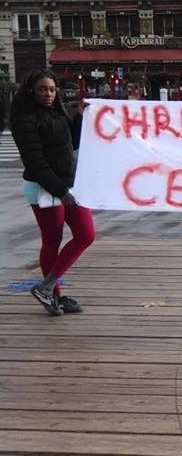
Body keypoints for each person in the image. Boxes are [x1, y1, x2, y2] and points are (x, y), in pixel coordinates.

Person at [10, 69, 96, 316]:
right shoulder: (24, 120)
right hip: (42, 188)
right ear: (30, 91)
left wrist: (82, 117)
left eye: (51, 89)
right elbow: (35, 162)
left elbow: (72, 144)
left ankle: (46, 288)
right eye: (42, 89)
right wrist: (61, 191)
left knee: (86, 234)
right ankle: (54, 296)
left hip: (67, 185)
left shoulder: (56, 112)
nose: (48, 94)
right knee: (52, 240)